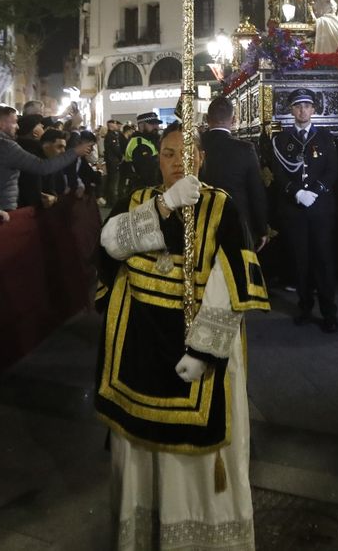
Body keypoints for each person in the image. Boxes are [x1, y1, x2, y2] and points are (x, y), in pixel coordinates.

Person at [95, 124, 270, 550]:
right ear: (158, 158)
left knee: (193, 460)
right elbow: (109, 245)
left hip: (197, 353)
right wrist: (163, 208)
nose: (178, 163)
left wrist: (204, 349)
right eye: (169, 154)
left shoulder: (221, 206)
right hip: (138, 351)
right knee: (143, 457)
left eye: (186, 154)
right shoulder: (138, 201)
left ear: (202, 159)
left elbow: (229, 284)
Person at [268, 88, 338, 332]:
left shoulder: (325, 137)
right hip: (294, 209)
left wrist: (315, 191)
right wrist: (296, 192)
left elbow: (332, 170)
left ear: (313, 110)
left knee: (323, 261)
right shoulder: (280, 140)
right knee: (300, 262)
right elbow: (277, 173)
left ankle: (329, 312)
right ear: (292, 110)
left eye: (307, 106)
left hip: (320, 209)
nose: (303, 110)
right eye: (298, 106)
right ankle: (305, 307)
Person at [0, 106, 79, 212]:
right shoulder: (7, 146)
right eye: (14, 122)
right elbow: (42, 167)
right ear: (1, 124)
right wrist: (75, 151)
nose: (17, 127)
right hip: (2, 208)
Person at [198, 98, 268, 251]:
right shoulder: (245, 149)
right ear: (234, 119)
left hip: (201, 221)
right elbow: (256, 192)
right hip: (238, 223)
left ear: (207, 120)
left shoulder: (196, 146)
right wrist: (262, 229)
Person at [122, 112, 162, 192]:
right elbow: (147, 173)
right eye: (152, 124)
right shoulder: (139, 143)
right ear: (141, 125)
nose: (156, 127)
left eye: (157, 124)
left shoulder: (148, 140)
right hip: (143, 189)